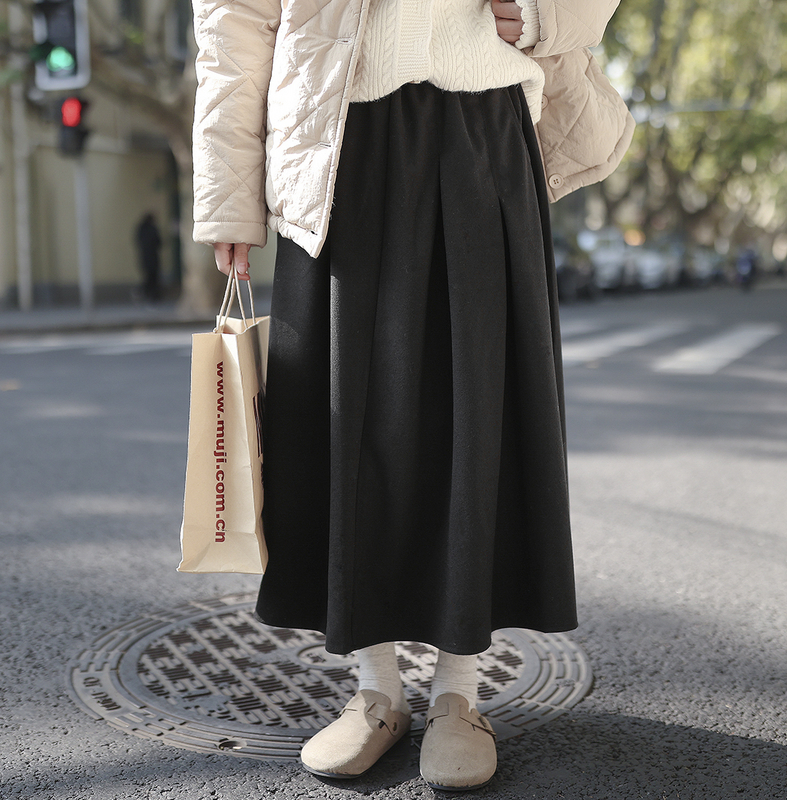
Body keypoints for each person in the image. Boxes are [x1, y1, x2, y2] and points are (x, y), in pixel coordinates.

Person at [191, 0, 634, 790]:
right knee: (345, 423)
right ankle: (376, 691)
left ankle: (459, 696)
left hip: (486, 136)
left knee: (478, 418)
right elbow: (235, 15)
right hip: (335, 142)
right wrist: (230, 190)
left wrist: (540, 13)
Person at [134, 212, 162, 303]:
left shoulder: (141, 229)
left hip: (144, 256)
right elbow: (158, 242)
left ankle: (144, 293)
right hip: (153, 257)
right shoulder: (152, 229)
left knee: (148, 277)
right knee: (152, 278)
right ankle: (151, 296)